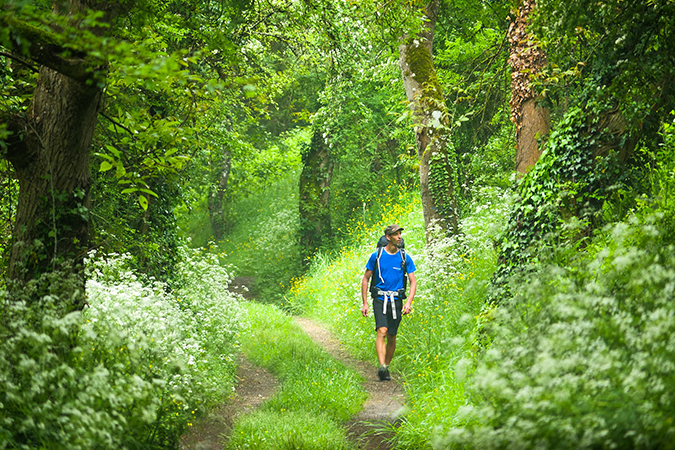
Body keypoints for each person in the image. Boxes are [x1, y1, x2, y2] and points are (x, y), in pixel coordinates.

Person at [361, 224, 417, 381]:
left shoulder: (405, 257)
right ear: (388, 237)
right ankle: (382, 366)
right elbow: (366, 278)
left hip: (397, 300)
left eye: (400, 234)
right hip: (379, 298)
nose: (399, 236)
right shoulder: (376, 256)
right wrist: (365, 303)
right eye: (396, 234)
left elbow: (413, 281)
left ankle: (386, 365)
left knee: (392, 335)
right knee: (382, 331)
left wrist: (409, 303)